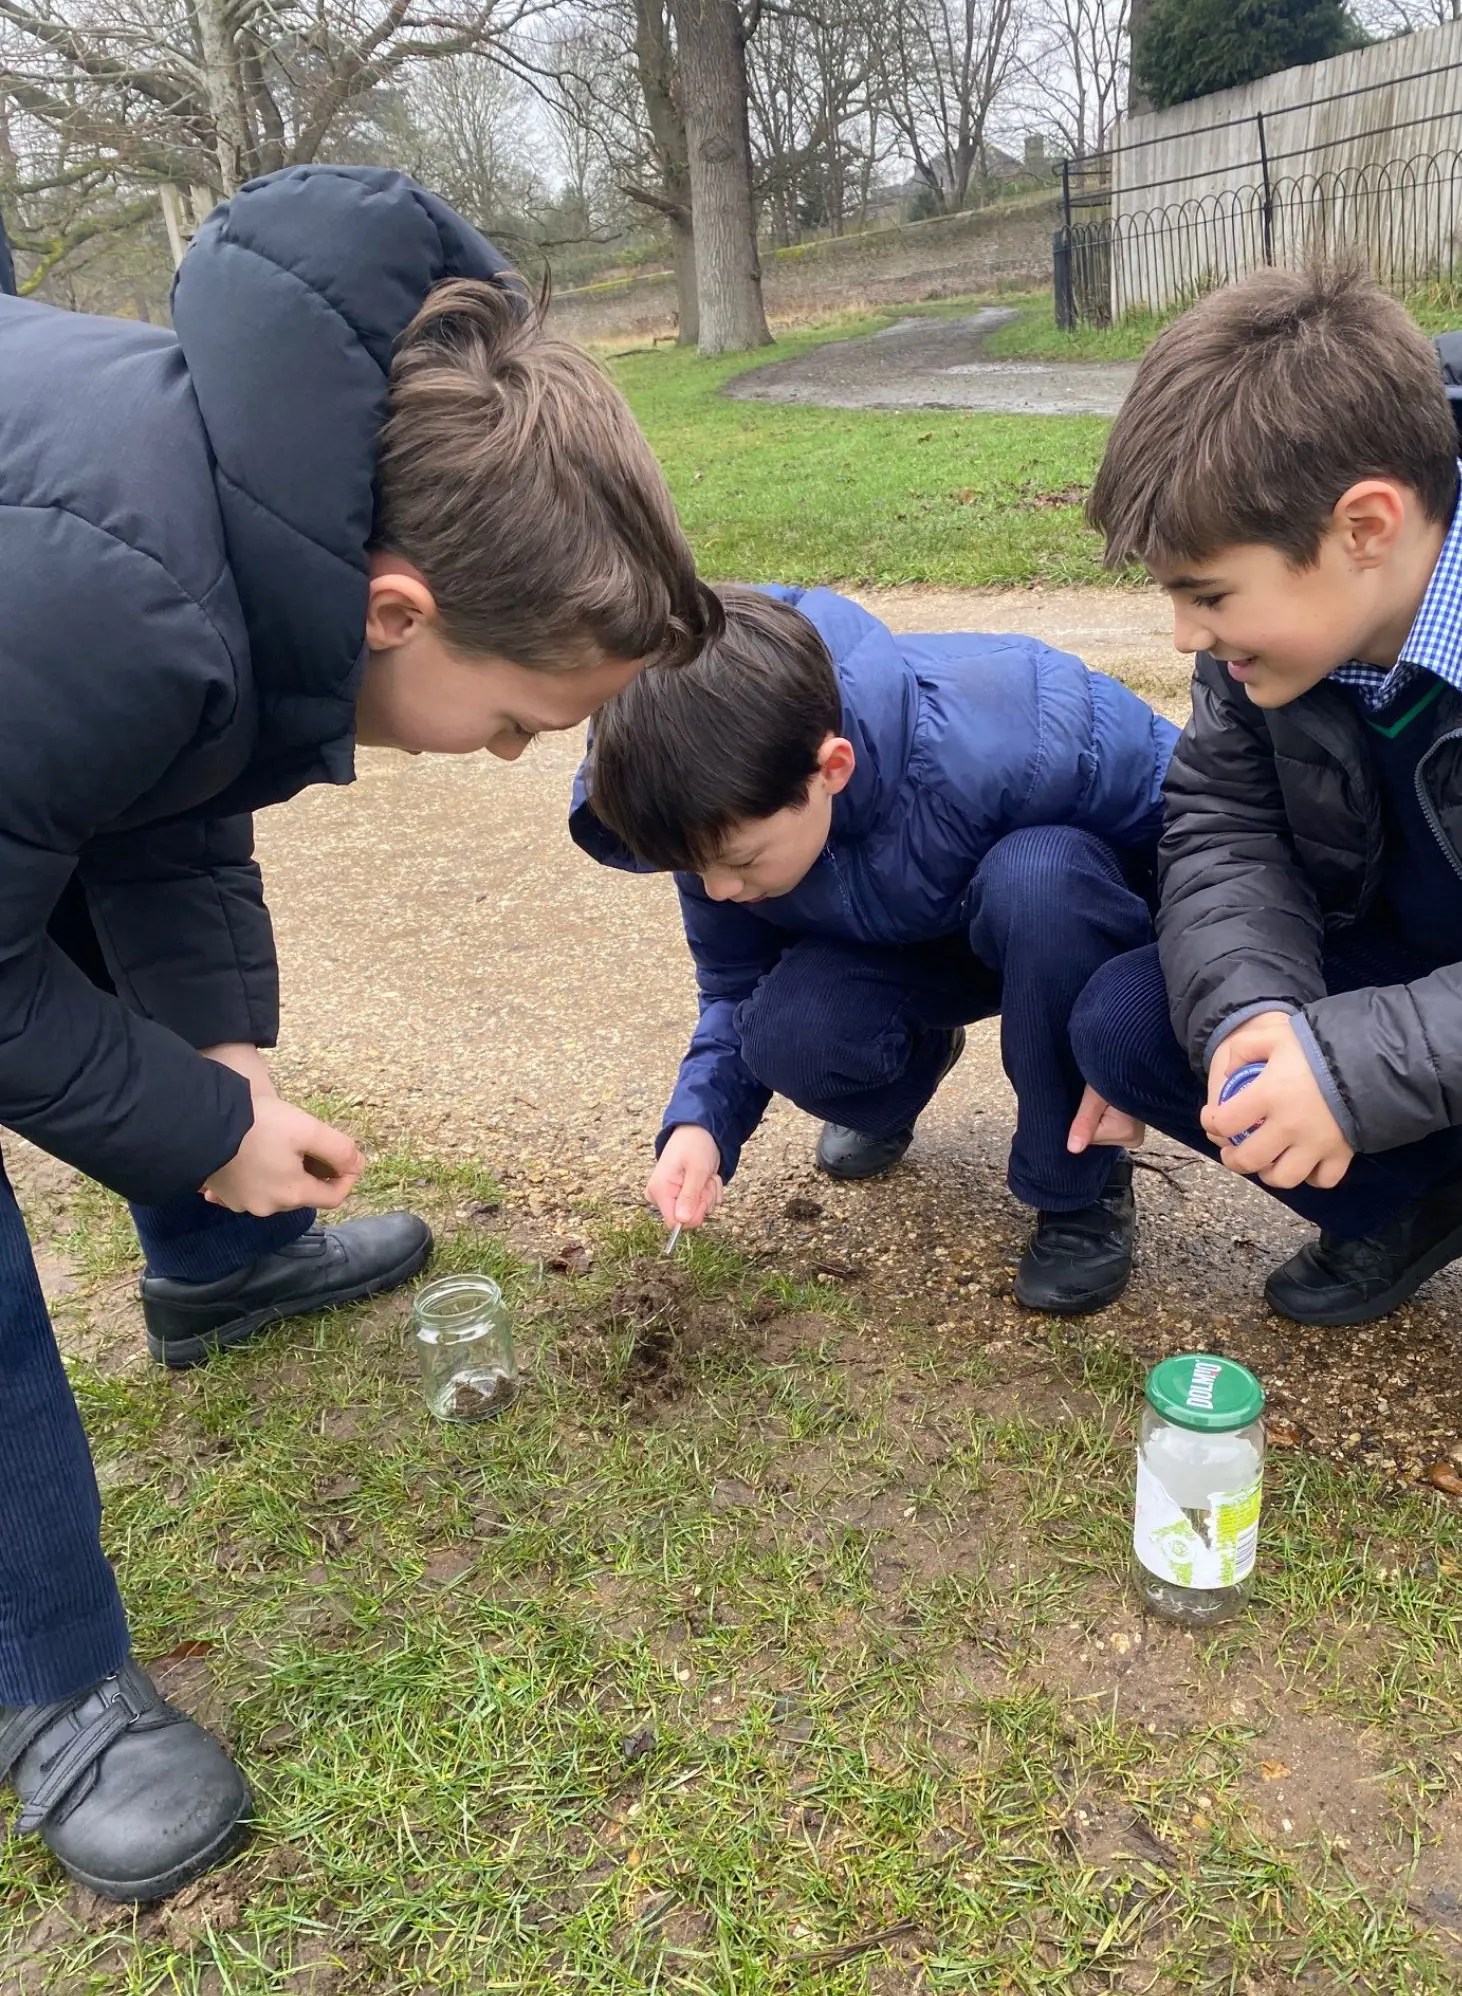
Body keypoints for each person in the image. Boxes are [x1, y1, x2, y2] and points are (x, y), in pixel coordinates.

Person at [0, 165, 706, 1902]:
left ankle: (217, 1271)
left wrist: (219, 1067)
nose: (517, 753)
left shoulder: (250, 526)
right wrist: (187, 1121)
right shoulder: (125, 594)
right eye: (524, 714)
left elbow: (161, 790)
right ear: (399, 609)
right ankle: (50, 1680)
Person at [571, 583, 1176, 1312]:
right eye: (696, 869)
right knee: (790, 1032)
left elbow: (1207, 832)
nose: (720, 889)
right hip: (906, 950)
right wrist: (702, 1125)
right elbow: (734, 987)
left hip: (1054, 933)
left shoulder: (1024, 728)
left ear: (831, 769)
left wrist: (1126, 1032)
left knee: (1043, 881)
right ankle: (906, 1071)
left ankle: (1078, 1184)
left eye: (740, 862)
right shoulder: (709, 818)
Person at [1069, 262, 1462, 1332]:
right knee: (1131, 1021)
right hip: (1414, 977)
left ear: (1364, 527)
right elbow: (1222, 827)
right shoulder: (1263, 655)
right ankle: (1422, 1195)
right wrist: (1259, 1020)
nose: (1185, 637)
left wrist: (1353, 1068)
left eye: (1207, 595)